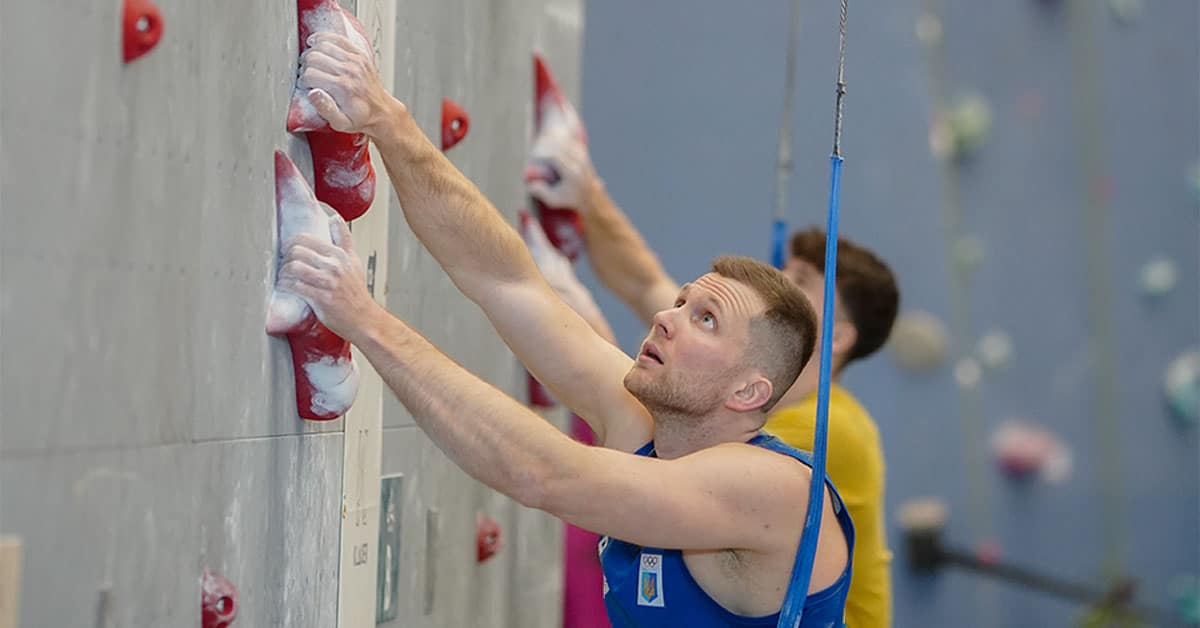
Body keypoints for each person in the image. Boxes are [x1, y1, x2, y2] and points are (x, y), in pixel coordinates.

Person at [279, 32, 855, 626]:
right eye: (681, 302)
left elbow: (544, 474)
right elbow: (509, 283)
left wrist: (364, 319)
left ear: (748, 392)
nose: (665, 317)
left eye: (704, 320)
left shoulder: (775, 491)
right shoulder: (646, 423)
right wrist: (385, 118)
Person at [527, 100, 900, 628]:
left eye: (800, 284)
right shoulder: (755, 387)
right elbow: (647, 285)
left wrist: (559, 311)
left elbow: (644, 424)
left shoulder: (829, 430)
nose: (776, 287)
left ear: (837, 337)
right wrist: (587, 194)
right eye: (784, 270)